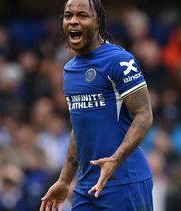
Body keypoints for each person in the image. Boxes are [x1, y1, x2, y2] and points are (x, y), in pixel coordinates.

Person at [39, 0, 154, 210]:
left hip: (125, 182)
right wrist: (65, 180)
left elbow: (144, 115)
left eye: (82, 15)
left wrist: (115, 160)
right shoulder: (69, 70)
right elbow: (80, 127)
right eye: (68, 15)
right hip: (85, 186)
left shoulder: (119, 60)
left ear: (98, 22)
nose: (73, 21)